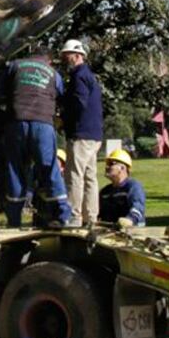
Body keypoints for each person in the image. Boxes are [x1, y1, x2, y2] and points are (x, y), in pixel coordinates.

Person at [0, 49, 73, 227]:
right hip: (43, 124)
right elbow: (62, 96)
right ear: (48, 60)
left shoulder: (14, 66)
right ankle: (62, 216)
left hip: (16, 123)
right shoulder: (54, 74)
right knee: (49, 168)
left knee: (15, 169)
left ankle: (14, 220)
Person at [58, 38, 105, 226]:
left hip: (82, 134)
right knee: (89, 176)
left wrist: (63, 118)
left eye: (66, 55)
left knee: (74, 175)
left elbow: (78, 102)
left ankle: (74, 216)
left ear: (77, 56)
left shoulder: (78, 76)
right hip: (94, 134)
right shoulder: (88, 75)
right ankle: (91, 217)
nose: (64, 58)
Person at [98, 147, 147, 230]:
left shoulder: (133, 187)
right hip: (110, 233)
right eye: (107, 164)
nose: (107, 167)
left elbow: (138, 208)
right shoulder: (105, 192)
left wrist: (130, 219)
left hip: (133, 232)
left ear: (123, 167)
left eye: (111, 164)